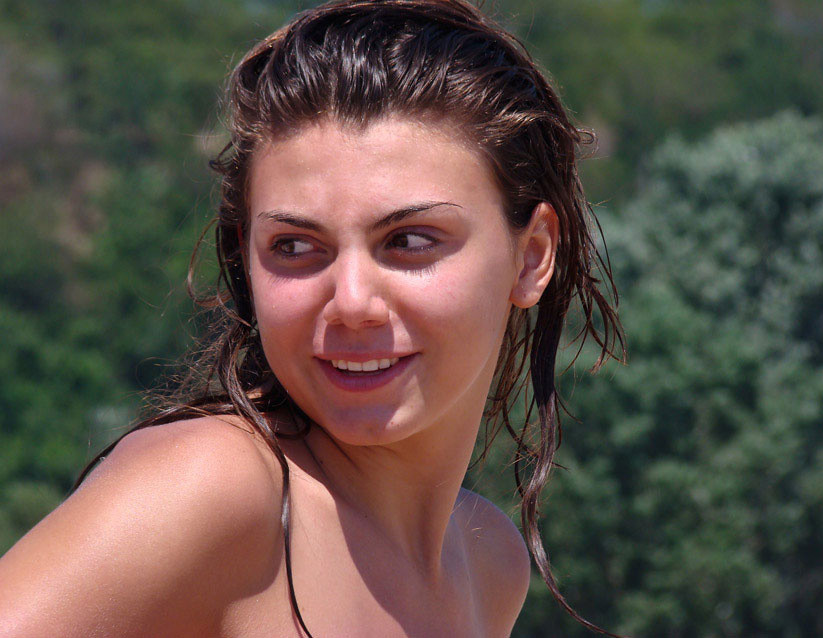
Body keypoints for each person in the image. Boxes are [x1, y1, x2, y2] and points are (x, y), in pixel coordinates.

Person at [0, 0, 624, 636]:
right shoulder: (215, 492)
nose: (351, 301)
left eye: (409, 241)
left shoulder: (488, 564)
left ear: (532, 256)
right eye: (295, 247)